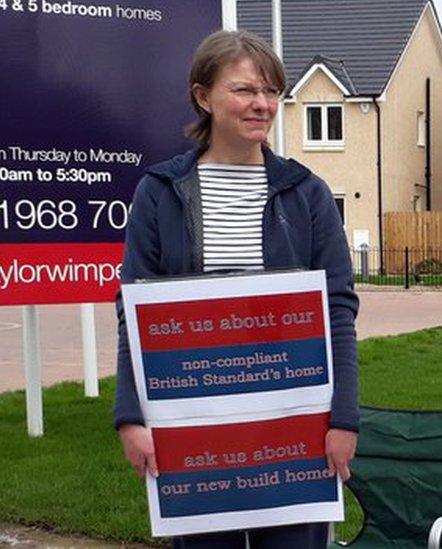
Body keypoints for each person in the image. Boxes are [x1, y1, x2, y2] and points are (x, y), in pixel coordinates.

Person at [113, 30, 358, 548]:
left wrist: (344, 419)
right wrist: (130, 416)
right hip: (192, 426)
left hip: (296, 426)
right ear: (203, 96)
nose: (262, 105)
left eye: (271, 92)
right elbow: (134, 313)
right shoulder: (160, 194)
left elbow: (337, 310)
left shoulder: (307, 193)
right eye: (245, 90)